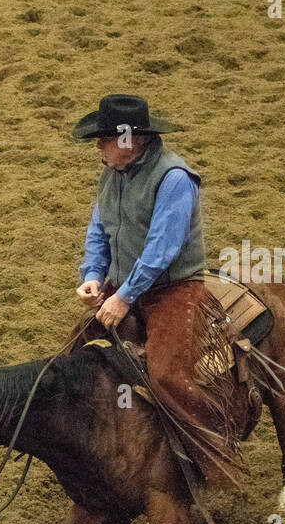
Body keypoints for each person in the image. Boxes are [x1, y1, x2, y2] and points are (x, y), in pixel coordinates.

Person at [72, 94, 241, 483]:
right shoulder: (111, 173)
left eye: (104, 138)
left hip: (172, 289)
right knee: (74, 356)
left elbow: (162, 250)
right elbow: (99, 229)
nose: (97, 146)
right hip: (123, 284)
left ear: (130, 140)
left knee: (166, 376)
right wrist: (93, 276)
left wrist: (123, 297)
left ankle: (213, 457)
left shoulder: (174, 179)